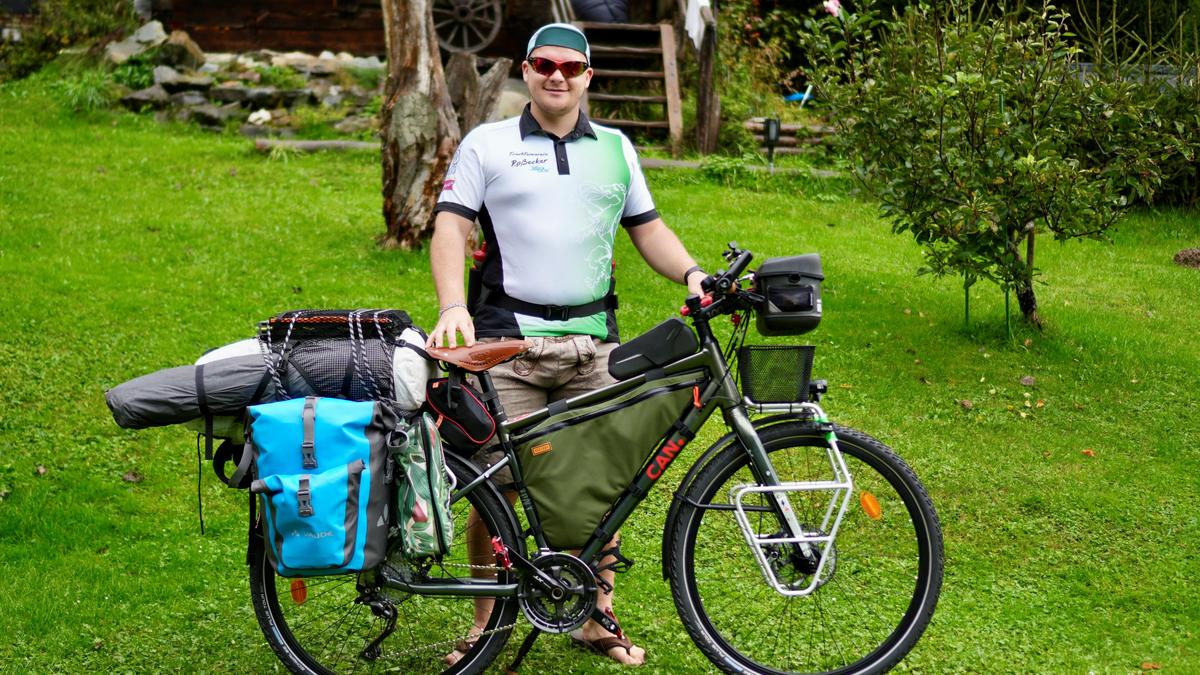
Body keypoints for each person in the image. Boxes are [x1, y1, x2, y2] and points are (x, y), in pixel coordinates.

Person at [426, 22, 706, 667]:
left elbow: (648, 229)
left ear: (587, 76)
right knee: (498, 486)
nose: (557, 75)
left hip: (594, 342)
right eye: (544, 64)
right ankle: (486, 621)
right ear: (526, 71)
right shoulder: (487, 144)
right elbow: (449, 226)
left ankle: (595, 615)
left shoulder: (615, 148)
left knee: (600, 484)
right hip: (505, 341)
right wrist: (451, 307)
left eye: (570, 67)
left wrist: (691, 272)